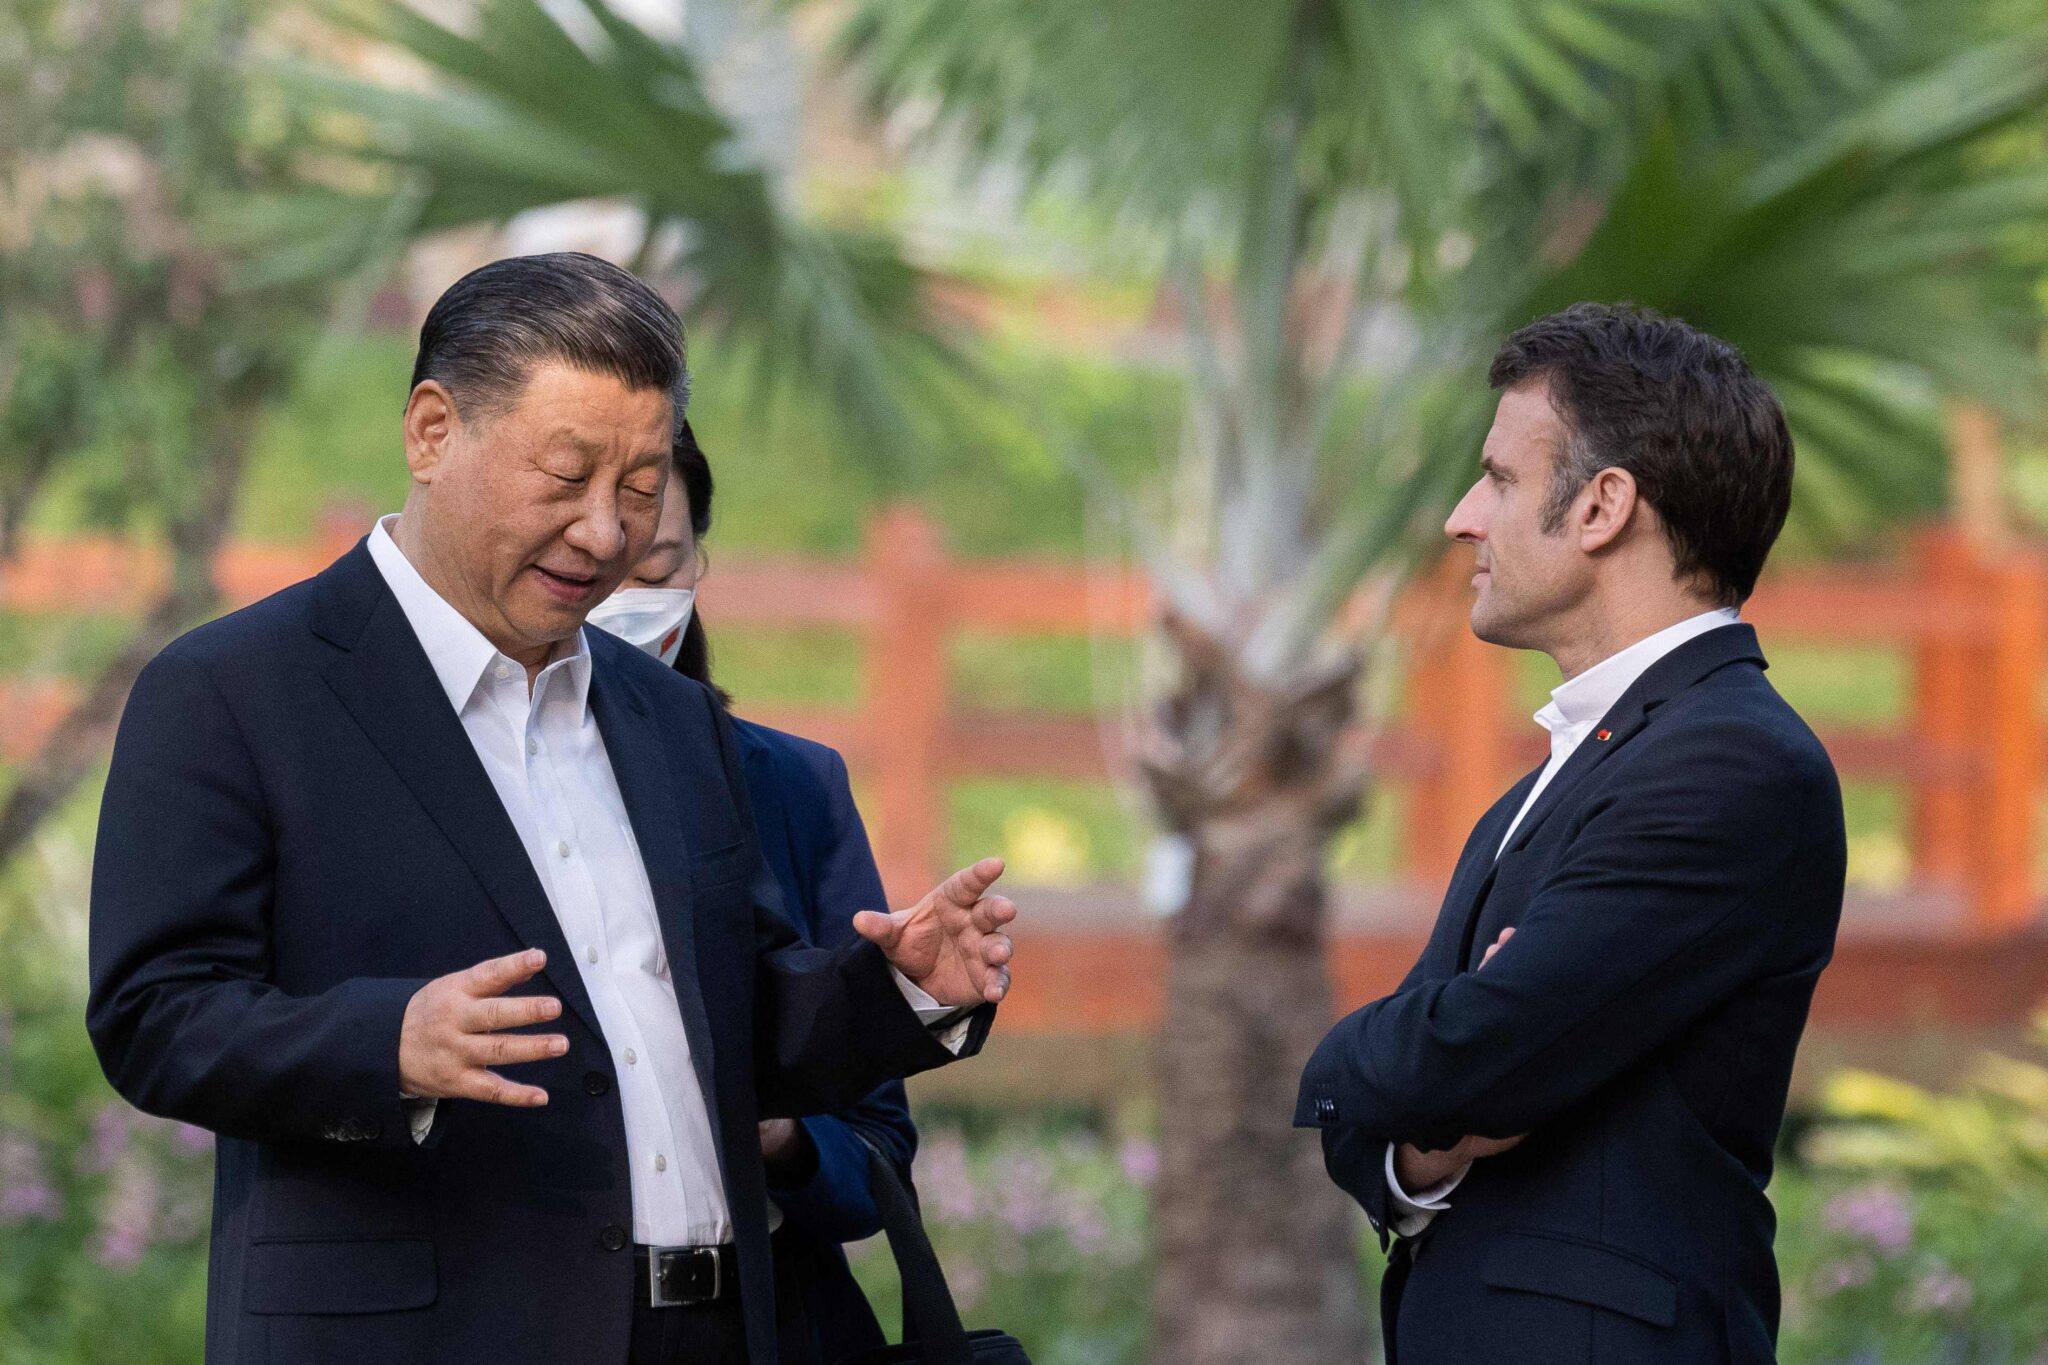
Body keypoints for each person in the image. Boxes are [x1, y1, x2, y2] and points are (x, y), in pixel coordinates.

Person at [86, 252, 1019, 1365]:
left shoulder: (668, 717)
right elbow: (154, 1015)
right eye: (565, 475)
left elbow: (732, 1016)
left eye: (636, 488)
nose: (603, 534)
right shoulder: (235, 690)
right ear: (432, 432)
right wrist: (386, 1041)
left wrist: (898, 987)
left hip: (723, 1329)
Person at [1297, 303, 1846, 1364]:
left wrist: (1374, 1056)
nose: (1462, 517)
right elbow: (1417, 1091)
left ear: (1601, 507)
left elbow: (1459, 1057)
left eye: (1499, 479)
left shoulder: (1731, 763)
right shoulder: (1548, 782)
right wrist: (1431, 1133)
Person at [586, 419, 908, 1365]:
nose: (624, 598)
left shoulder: (791, 786)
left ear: (699, 569)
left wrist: (780, 1134)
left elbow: (877, 1151)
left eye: (658, 569)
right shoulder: (457, 784)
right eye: (599, 570)